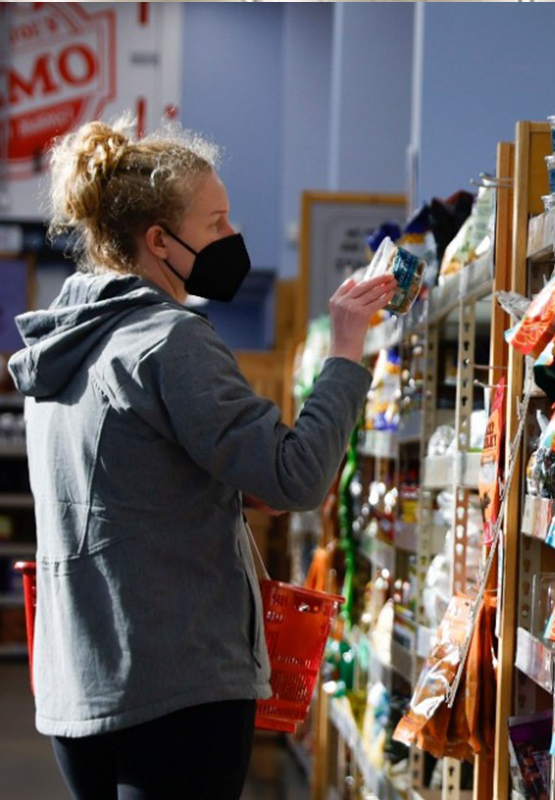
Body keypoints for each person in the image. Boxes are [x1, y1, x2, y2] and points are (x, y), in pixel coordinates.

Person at [8, 117, 396, 800]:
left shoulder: (60, 351)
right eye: (215, 222)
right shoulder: (168, 341)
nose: (232, 237)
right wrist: (345, 348)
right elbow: (297, 475)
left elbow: (128, 483)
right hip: (176, 690)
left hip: (78, 685)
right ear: (159, 240)